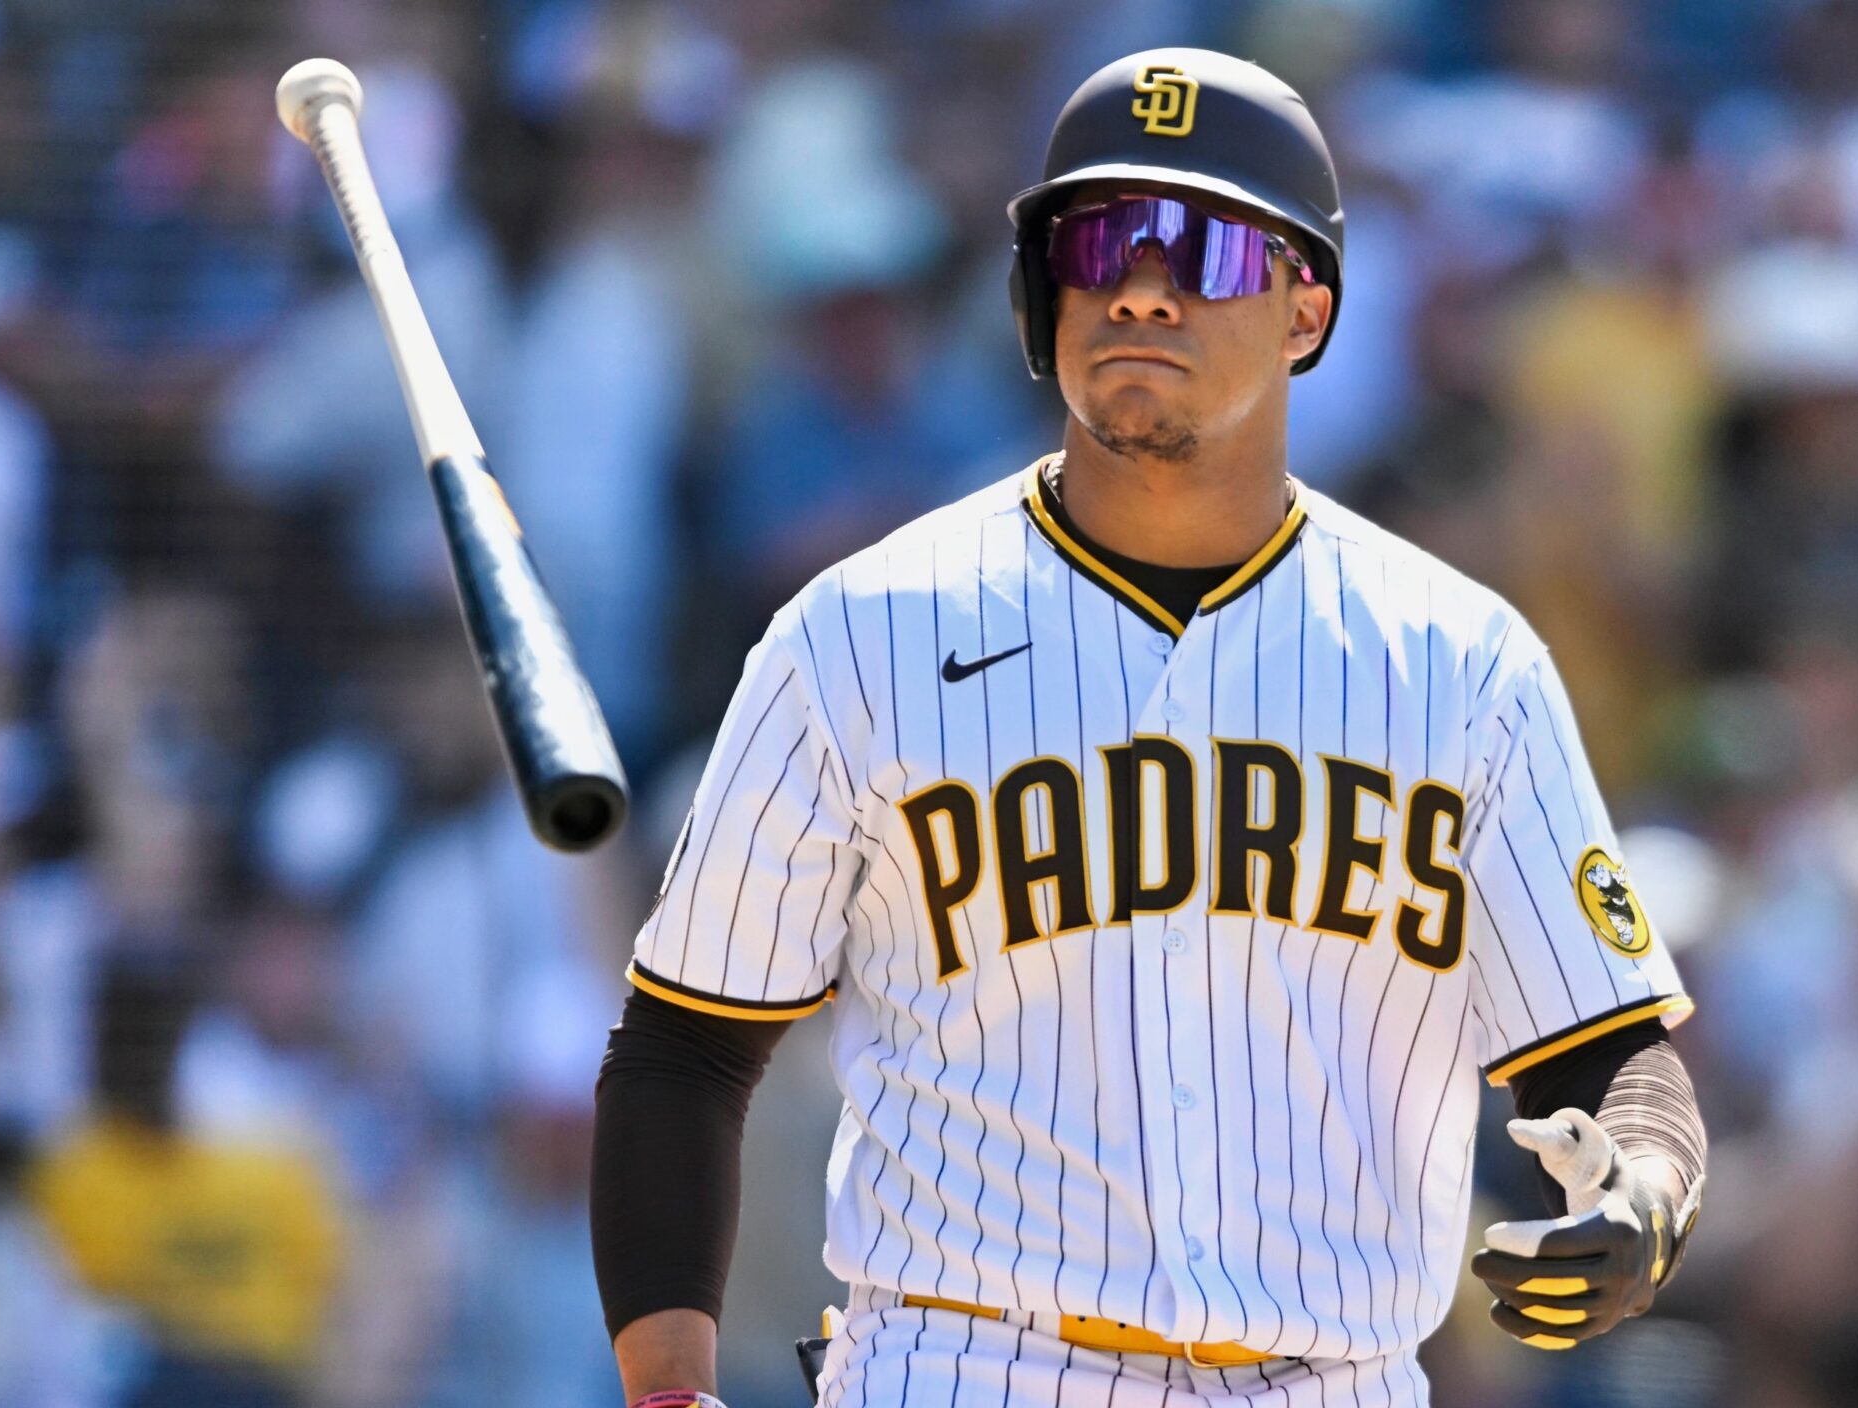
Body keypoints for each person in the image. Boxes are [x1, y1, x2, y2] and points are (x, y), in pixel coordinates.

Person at [589, 49, 1708, 1408]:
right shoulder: (858, 633)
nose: (1138, 286)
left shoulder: (1461, 665)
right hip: (964, 1367)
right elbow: (689, 1040)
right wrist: (666, 1386)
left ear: (1307, 308)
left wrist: (1645, 1194)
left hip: (1328, 1378)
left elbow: (1609, 1048)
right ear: (1036, 295)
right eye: (1099, 241)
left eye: (1202, 248)